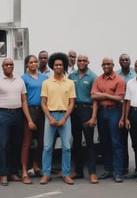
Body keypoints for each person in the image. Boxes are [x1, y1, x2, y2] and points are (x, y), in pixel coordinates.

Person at [0, 58, 33, 186]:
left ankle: (13, 172)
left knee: (16, 144)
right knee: (3, 145)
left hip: (18, 114)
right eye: (6, 64)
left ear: (13, 67)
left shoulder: (19, 81)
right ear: (2, 67)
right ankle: (3, 174)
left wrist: (26, 117)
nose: (9, 66)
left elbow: (24, 100)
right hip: (4, 115)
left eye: (11, 65)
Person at [39, 52, 76, 185]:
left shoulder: (70, 83)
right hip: (50, 116)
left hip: (65, 116)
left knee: (66, 147)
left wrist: (65, 118)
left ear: (64, 66)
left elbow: (72, 103)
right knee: (47, 147)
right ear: (52, 66)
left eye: (61, 64)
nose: (58, 67)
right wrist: (50, 118)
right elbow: (43, 102)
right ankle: (46, 174)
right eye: (56, 65)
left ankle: (66, 174)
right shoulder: (46, 83)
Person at [91, 57, 126, 183]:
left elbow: (119, 99)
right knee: (105, 142)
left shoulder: (119, 80)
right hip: (102, 112)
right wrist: (107, 96)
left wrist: (104, 95)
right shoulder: (98, 79)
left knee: (116, 142)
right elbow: (94, 96)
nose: (106, 66)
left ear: (113, 65)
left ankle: (118, 172)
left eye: (108, 64)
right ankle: (108, 169)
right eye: (104, 64)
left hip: (114, 112)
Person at [68, 54, 98, 184]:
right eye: (79, 60)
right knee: (76, 142)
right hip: (74, 111)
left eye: (84, 60)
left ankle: (92, 173)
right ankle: (78, 171)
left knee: (90, 144)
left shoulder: (93, 77)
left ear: (88, 62)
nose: (81, 62)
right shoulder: (72, 76)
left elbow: (95, 99)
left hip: (87, 110)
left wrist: (93, 117)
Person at [20, 55, 48, 184]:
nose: (33, 64)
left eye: (35, 62)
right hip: (30, 111)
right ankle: (25, 171)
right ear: (27, 65)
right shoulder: (23, 79)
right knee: (27, 143)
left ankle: (36, 166)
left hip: (42, 112)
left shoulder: (44, 78)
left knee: (42, 142)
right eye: (31, 62)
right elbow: (23, 100)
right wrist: (29, 119)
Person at [116, 53, 136, 175]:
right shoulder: (116, 75)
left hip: (134, 110)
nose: (124, 61)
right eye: (122, 60)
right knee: (121, 141)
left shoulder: (136, 73)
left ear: (130, 61)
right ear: (119, 62)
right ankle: (124, 167)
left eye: (126, 59)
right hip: (120, 110)